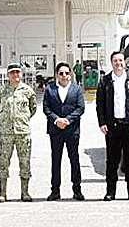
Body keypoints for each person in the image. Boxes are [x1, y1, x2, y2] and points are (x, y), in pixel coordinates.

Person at [96, 50, 129, 201]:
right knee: (112, 161)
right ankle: (110, 192)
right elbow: (100, 104)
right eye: (115, 61)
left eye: (120, 60)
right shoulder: (105, 81)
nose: (118, 63)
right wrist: (102, 123)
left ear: (125, 63)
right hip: (112, 127)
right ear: (112, 63)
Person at [0, 63, 37, 202]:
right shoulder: (1, 91)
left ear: (21, 74)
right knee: (3, 162)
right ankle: (2, 193)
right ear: (8, 75)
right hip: (6, 133)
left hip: (23, 132)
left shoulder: (28, 91)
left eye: (17, 72)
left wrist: (22, 120)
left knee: (25, 162)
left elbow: (33, 109)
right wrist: (5, 120)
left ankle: (25, 192)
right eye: (12, 72)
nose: (15, 75)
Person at [44, 61, 86, 201]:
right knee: (56, 160)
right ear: (57, 75)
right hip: (55, 130)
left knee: (74, 160)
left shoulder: (77, 89)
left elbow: (80, 108)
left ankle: (77, 190)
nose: (64, 75)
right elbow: (46, 108)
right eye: (61, 73)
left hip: (72, 130)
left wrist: (67, 120)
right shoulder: (50, 89)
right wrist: (57, 120)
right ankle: (55, 191)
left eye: (66, 73)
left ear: (70, 74)